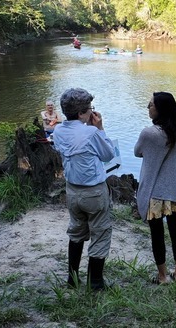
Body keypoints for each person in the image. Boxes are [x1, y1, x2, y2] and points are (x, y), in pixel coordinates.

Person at [52, 88, 116, 291]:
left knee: (76, 231)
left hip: (72, 191)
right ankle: (95, 283)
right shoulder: (90, 132)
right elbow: (108, 155)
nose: (92, 112)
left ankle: (72, 279)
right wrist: (100, 128)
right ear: (81, 113)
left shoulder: (59, 130)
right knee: (100, 232)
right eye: (90, 109)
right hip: (94, 192)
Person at [134, 92, 176, 285]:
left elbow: (137, 152)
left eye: (151, 104)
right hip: (175, 190)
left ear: (160, 109)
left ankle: (163, 276)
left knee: (157, 235)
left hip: (155, 192)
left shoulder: (149, 133)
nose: (148, 107)